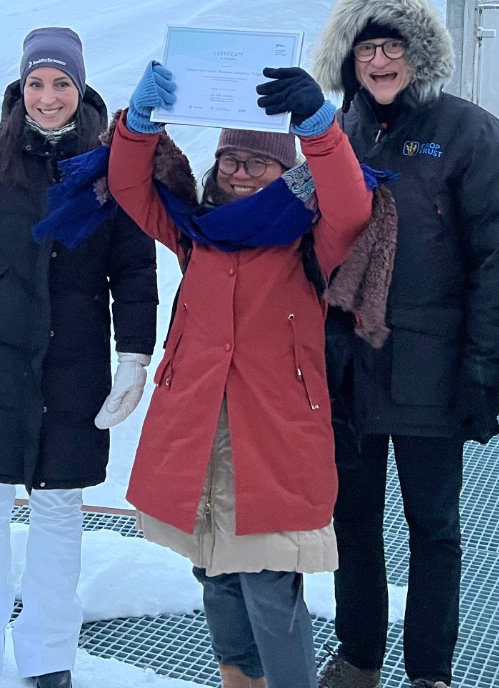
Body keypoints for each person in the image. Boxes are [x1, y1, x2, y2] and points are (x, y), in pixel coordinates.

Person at [105, 61, 374, 688]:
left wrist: (319, 128)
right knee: (214, 571)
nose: (241, 172)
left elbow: (352, 203)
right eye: (232, 160)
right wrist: (138, 125)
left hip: (273, 434)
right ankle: (239, 679)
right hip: (197, 423)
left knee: (270, 583)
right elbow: (128, 188)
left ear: (287, 173)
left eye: (260, 163)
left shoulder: (312, 237)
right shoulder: (197, 232)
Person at [0, 27, 158, 688]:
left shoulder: (112, 169)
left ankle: (50, 657)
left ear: (81, 89)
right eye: (37, 83)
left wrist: (134, 356)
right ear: (21, 88)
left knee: (58, 516)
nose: (48, 97)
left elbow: (133, 273)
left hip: (73, 370)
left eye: (61, 83)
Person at [312, 0, 499, 688]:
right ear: (348, 58)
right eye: (367, 46)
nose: (380, 60)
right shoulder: (339, 132)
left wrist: (483, 369)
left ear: (419, 51)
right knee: (355, 524)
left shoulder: (468, 131)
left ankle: (429, 672)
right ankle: (359, 656)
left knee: (432, 529)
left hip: (433, 371)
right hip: (352, 368)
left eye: (393, 45)